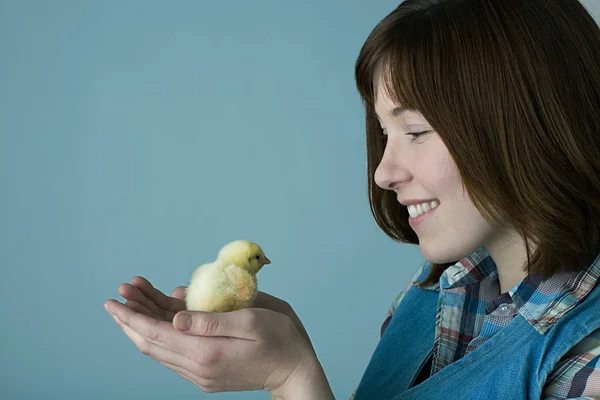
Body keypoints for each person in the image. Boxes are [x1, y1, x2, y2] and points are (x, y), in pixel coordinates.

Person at [104, 0, 600, 398]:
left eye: (416, 130)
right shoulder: (430, 297)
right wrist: (284, 351)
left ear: (526, 126)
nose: (384, 172)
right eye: (385, 133)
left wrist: (292, 378)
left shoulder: (587, 363)